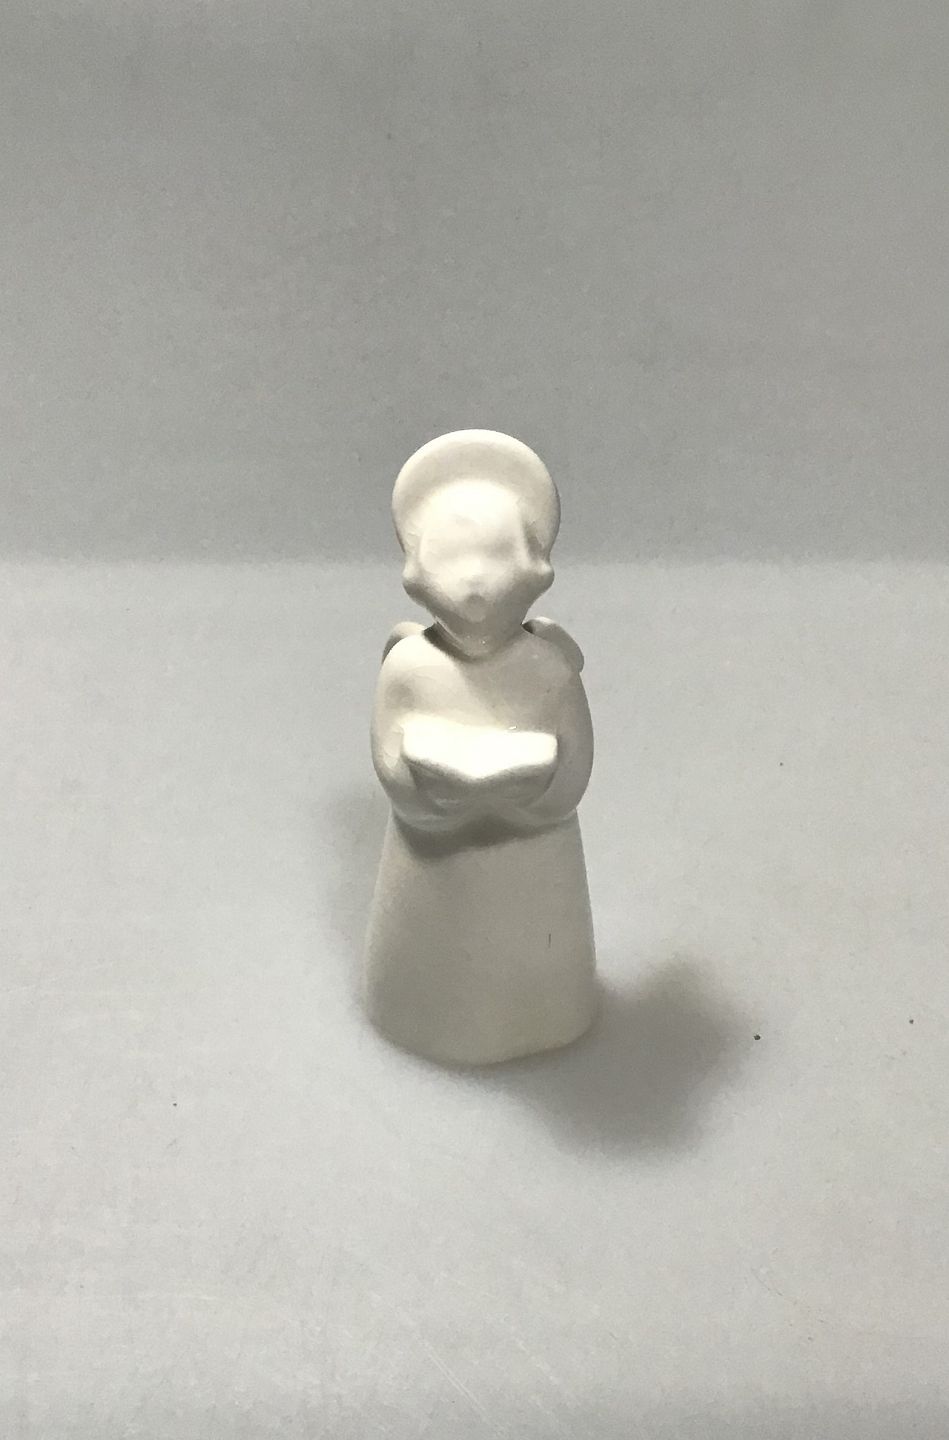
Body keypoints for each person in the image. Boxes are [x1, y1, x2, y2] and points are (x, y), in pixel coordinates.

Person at [364, 430, 597, 1064]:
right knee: (434, 963)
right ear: (417, 575)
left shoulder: (548, 666)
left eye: (494, 560)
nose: (473, 586)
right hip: (431, 860)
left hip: (534, 857)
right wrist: (422, 791)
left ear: (534, 572)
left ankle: (544, 1015)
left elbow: (576, 764)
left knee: (535, 949)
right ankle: (418, 1015)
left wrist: (539, 791)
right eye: (451, 561)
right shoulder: (410, 665)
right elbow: (387, 755)